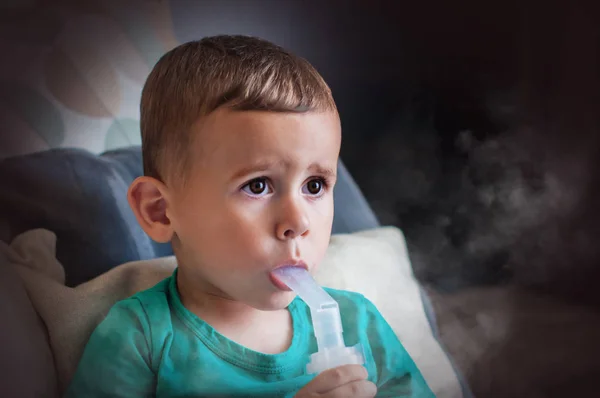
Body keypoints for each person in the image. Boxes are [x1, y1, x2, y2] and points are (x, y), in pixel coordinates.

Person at [64, 35, 435, 398]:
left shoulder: (358, 323)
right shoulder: (141, 338)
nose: (298, 221)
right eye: (258, 186)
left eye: (315, 185)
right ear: (160, 210)